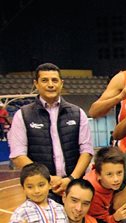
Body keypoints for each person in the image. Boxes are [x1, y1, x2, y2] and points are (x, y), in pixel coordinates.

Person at [8, 63, 94, 200]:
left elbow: (87, 151)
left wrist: (71, 179)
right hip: (41, 189)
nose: (50, 84)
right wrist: (47, 179)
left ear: (61, 83)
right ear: (36, 84)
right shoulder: (22, 115)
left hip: (74, 186)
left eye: (55, 80)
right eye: (44, 80)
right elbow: (18, 155)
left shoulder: (78, 113)